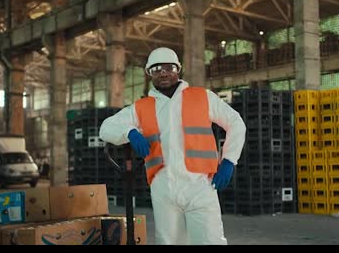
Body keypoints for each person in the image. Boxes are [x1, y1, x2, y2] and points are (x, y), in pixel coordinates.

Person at [99, 47, 246, 245]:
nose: (163, 72)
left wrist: (229, 161)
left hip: (200, 185)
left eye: (169, 67)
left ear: (178, 69)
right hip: (163, 188)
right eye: (157, 68)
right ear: (149, 73)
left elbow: (236, 123)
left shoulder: (203, 97)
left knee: (210, 240)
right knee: (168, 241)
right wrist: (130, 132)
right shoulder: (142, 107)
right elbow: (106, 128)